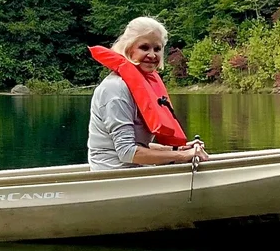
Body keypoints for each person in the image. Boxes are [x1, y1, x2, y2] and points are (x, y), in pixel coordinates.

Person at [88, 16, 209, 171]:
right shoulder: (115, 89)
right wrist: (184, 156)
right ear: (128, 49)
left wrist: (178, 149)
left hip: (136, 170)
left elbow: (139, 144)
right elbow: (127, 152)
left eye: (157, 49)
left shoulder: (144, 84)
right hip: (115, 176)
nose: (152, 55)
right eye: (144, 48)